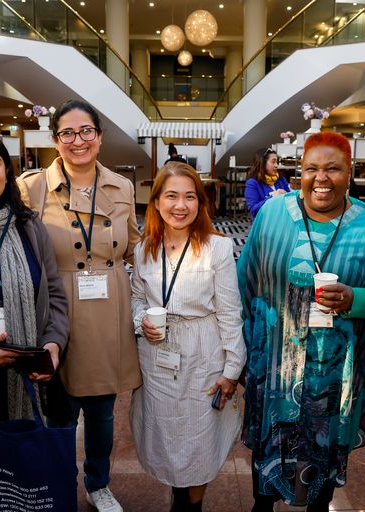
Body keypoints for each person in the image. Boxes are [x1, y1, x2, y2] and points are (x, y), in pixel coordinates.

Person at [238, 132, 365, 511]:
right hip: (274, 367)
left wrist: (356, 298)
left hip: (335, 376)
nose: (321, 178)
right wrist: (243, 352)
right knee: (265, 478)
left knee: (321, 473)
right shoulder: (273, 214)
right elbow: (245, 282)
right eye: (311, 169)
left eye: (333, 169)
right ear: (300, 172)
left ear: (349, 172)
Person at [17, 99, 141, 512]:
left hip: (109, 310)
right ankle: (59, 481)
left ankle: (99, 482)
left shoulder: (122, 187)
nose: (78, 140)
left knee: (103, 413)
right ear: (55, 140)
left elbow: (135, 246)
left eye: (86, 131)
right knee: (59, 409)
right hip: (58, 307)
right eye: (67, 133)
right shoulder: (30, 188)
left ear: (100, 137)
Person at [130, 161, 246, 512]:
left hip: (203, 351)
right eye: (171, 196)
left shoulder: (217, 248)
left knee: (199, 436)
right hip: (157, 354)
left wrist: (232, 368)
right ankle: (178, 497)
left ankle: (190, 505)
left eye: (189, 197)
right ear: (156, 202)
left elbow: (229, 311)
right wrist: (141, 321)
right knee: (165, 432)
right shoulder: (143, 248)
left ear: (200, 203)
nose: (180, 206)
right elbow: (137, 296)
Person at [0, 127, 68, 420]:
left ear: (7, 172)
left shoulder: (29, 228)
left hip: (22, 381)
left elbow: (55, 294)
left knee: (16, 461)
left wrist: (53, 344)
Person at [244, 148, 290, 219]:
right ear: (263, 163)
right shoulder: (252, 183)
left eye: (277, 162)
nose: (276, 165)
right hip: (264, 226)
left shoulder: (281, 180)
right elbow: (254, 210)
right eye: (273, 162)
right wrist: (272, 198)